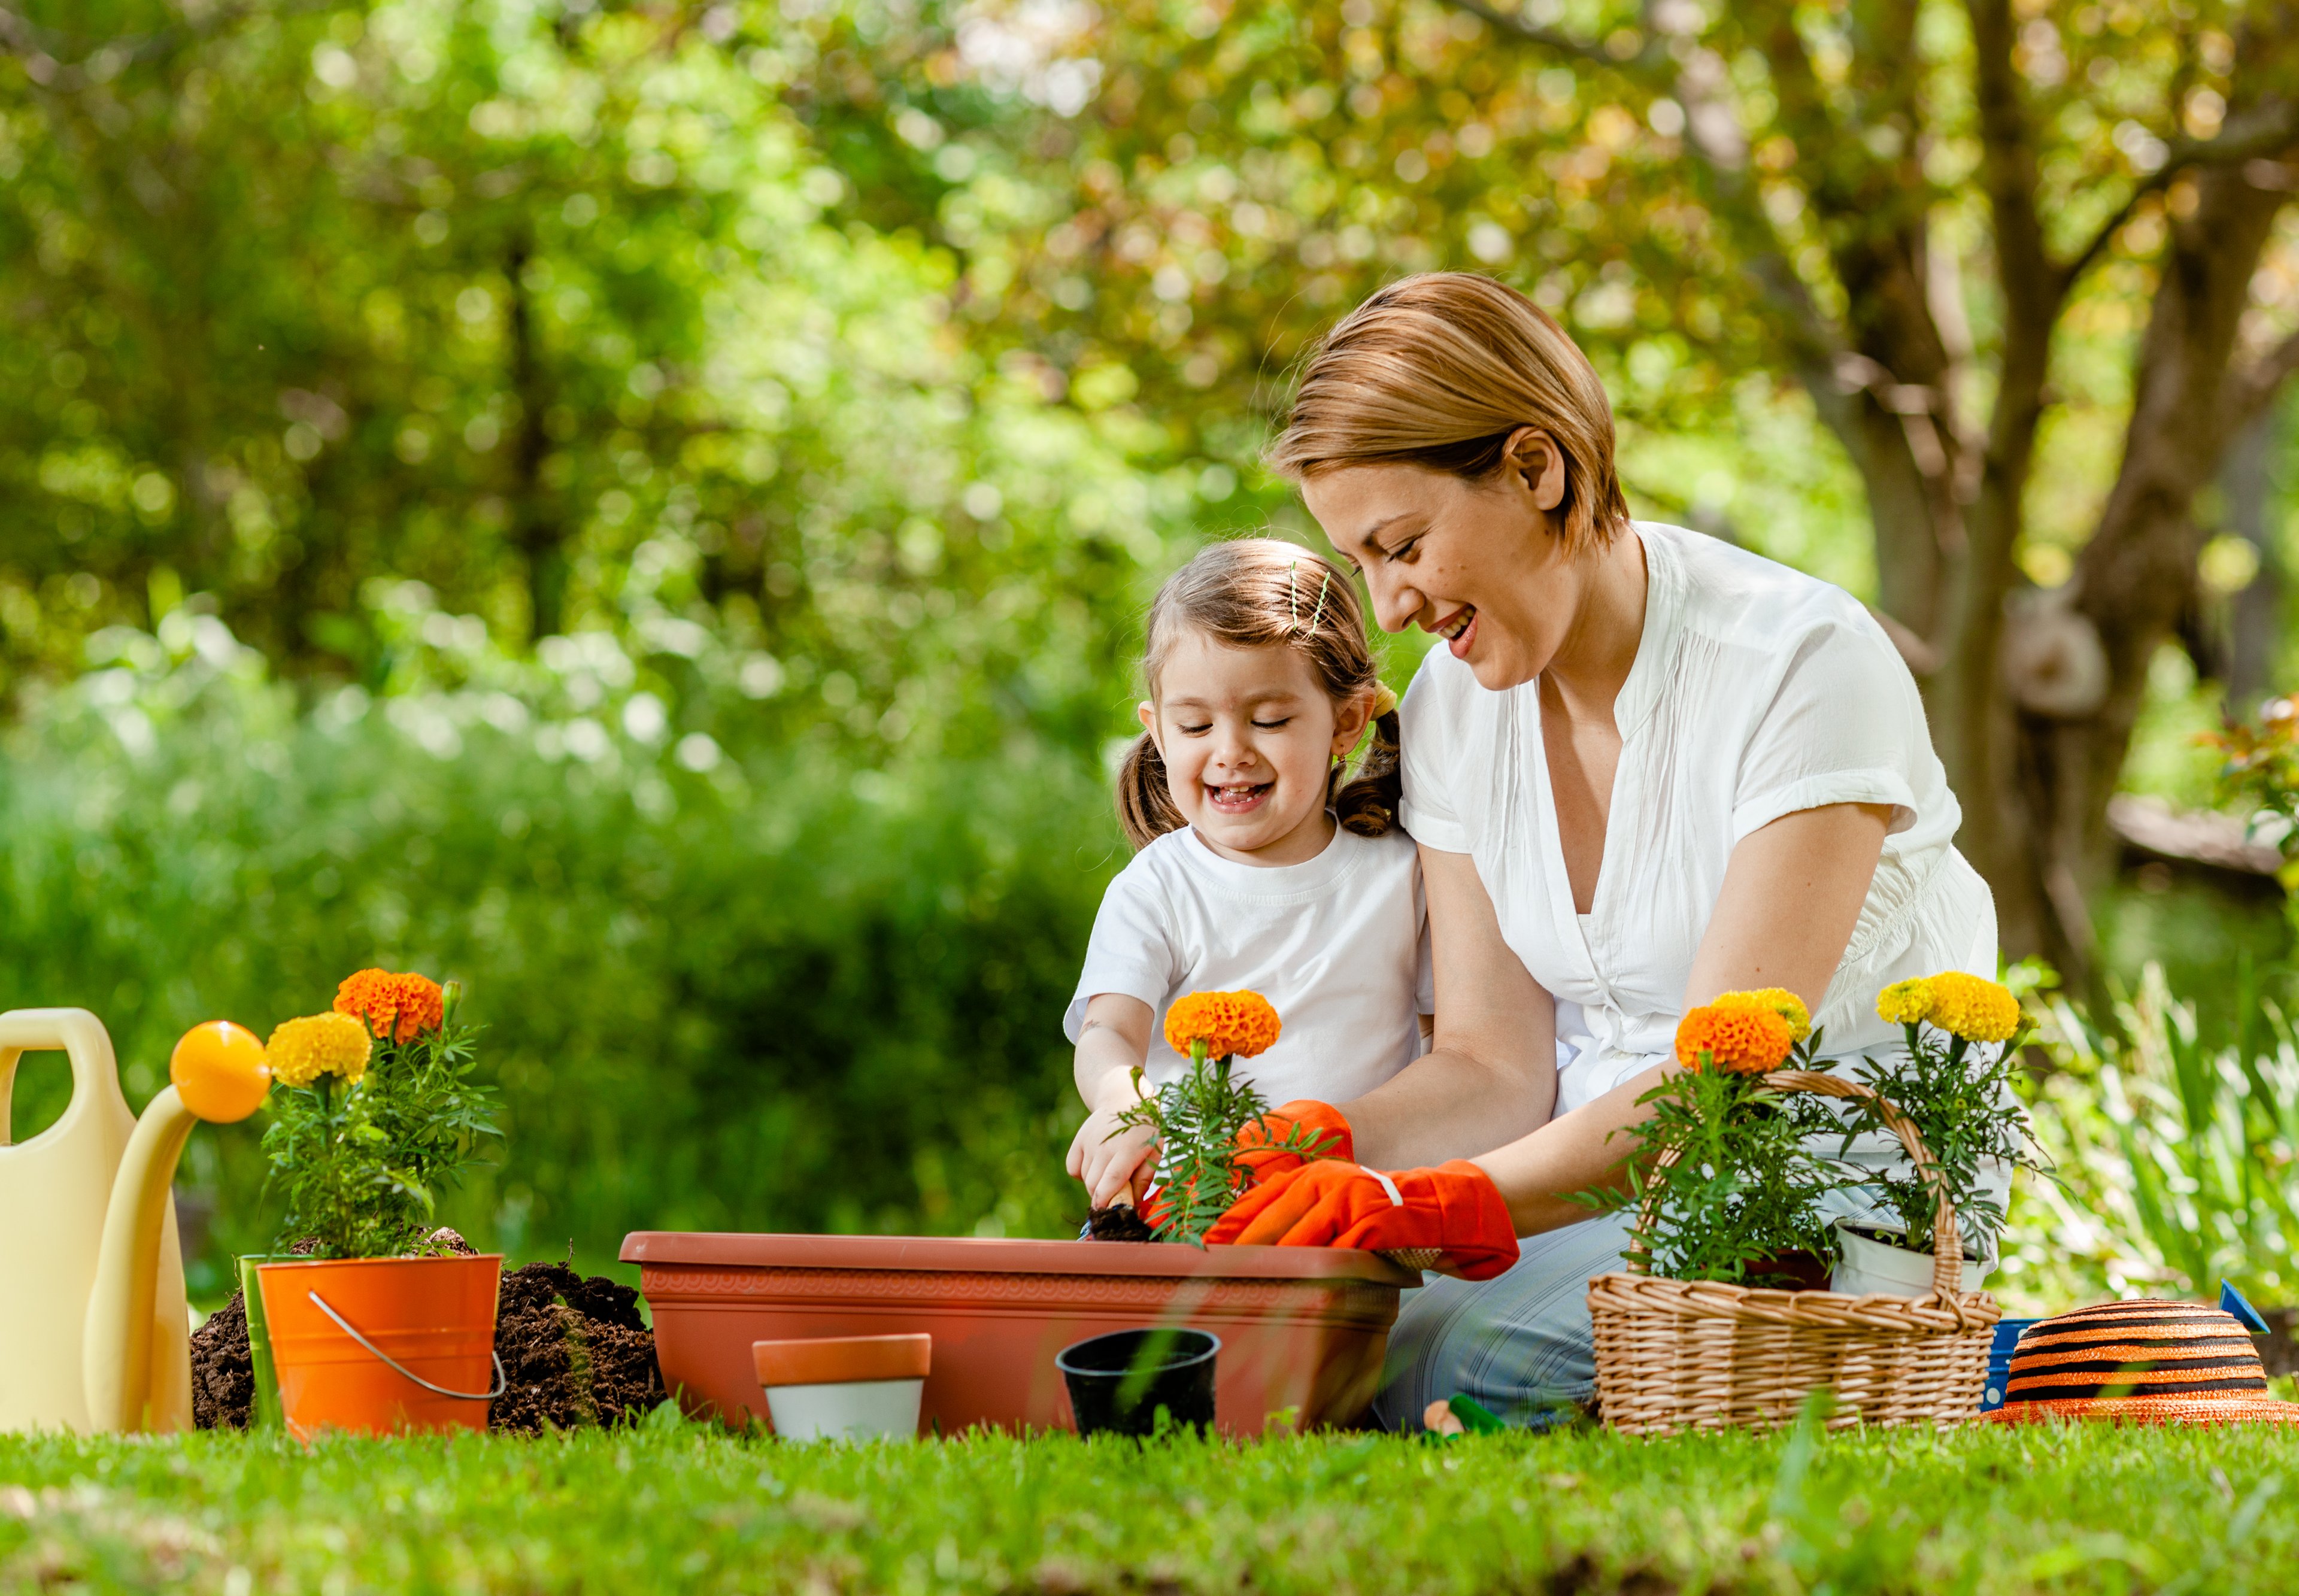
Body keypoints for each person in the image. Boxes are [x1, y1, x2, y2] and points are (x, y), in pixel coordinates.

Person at [1204, 272, 2001, 1428]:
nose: (1389, 607)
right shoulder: (1454, 711)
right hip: (1567, 1208)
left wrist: (1440, 1205)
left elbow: (1721, 1083)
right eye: (1364, 563)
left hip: (1811, 1217)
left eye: (1407, 544)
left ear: (1538, 468)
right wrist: (1321, 1146)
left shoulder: (1800, 662)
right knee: (1290, 1337)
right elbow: (1493, 1063)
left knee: (1454, 1365)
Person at [1063, 538, 1434, 1215]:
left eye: (1269, 719)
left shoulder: (1400, 874)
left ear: (1345, 722)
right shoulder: (1159, 888)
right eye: (1196, 723)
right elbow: (1108, 1032)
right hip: (1188, 1211)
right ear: (1159, 730)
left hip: (1350, 1214)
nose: (1230, 751)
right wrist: (1127, 1104)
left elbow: (1448, 1046)